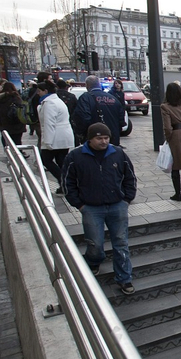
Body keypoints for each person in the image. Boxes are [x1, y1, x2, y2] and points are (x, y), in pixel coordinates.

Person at [62, 123, 137, 295]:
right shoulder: (75, 156)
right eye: (99, 138)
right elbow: (68, 182)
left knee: (121, 243)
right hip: (91, 208)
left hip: (117, 206)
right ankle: (93, 261)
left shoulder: (118, 154)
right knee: (95, 243)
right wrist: (79, 204)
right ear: (90, 139)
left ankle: (124, 278)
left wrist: (126, 199)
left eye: (106, 138)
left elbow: (130, 177)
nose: (103, 142)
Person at [36, 80, 75, 194]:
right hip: (62, 137)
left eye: (39, 91)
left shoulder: (50, 103)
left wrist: (47, 142)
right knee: (61, 161)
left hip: (56, 138)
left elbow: (49, 123)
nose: (38, 93)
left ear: (45, 91)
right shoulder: (56, 101)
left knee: (46, 159)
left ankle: (63, 181)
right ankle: (66, 184)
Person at [74, 75, 125, 146]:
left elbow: (82, 118)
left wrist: (82, 134)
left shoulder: (85, 98)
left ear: (87, 85)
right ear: (99, 84)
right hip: (112, 137)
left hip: (94, 138)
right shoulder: (113, 98)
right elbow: (121, 118)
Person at [0, 82, 28, 151]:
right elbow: (21, 109)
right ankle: (19, 152)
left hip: (4, 123)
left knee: (5, 138)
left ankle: (8, 152)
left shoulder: (1, 99)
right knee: (17, 140)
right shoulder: (16, 97)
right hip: (16, 123)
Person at [55, 79, 79, 146]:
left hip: (56, 122)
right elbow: (76, 109)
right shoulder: (71, 96)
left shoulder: (54, 96)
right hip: (70, 121)